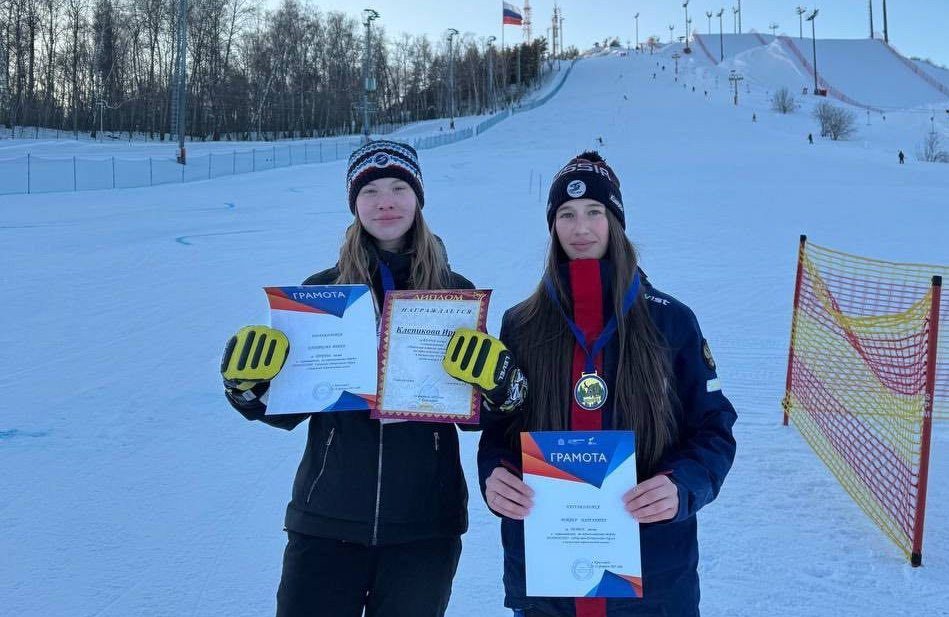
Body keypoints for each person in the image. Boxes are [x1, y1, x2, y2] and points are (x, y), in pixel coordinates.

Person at [445, 152, 737, 617]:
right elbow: (503, 425)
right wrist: (495, 472)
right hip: (549, 577)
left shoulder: (671, 321)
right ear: (552, 226)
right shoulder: (522, 323)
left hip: (653, 577)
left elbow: (715, 429)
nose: (580, 228)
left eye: (594, 213)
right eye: (567, 214)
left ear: (615, 221)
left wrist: (681, 485)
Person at [220, 140, 476, 617]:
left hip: (423, 526)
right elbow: (287, 407)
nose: (386, 202)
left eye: (399, 187)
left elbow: (475, 413)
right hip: (327, 518)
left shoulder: (453, 293)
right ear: (354, 203)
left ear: (418, 198)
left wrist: (497, 388)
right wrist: (248, 390)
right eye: (370, 190)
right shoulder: (321, 293)